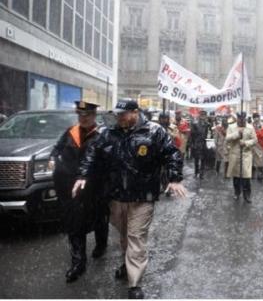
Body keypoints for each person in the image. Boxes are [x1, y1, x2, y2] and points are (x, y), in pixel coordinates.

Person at [72, 99, 187, 299]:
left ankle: (134, 284)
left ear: (135, 112)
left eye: (123, 114)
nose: (119, 118)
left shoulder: (154, 131)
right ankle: (127, 264)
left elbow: (171, 154)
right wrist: (83, 176)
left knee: (136, 236)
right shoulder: (108, 133)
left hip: (143, 197)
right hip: (116, 197)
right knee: (125, 235)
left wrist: (175, 177)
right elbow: (92, 154)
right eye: (117, 115)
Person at [50, 101, 109, 283]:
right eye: (80, 116)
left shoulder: (102, 134)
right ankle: (78, 263)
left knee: (99, 218)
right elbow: (57, 148)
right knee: (74, 224)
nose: (83, 119)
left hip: (94, 187)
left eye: (87, 116)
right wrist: (52, 158)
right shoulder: (70, 132)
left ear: (94, 116)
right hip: (71, 186)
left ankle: (101, 245)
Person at [226, 112, 258, 203]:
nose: (241, 120)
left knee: (246, 177)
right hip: (235, 155)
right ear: (237, 118)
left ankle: (247, 195)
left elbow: (255, 140)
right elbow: (227, 138)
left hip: (246, 155)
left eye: (243, 118)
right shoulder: (231, 127)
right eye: (240, 118)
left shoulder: (250, 127)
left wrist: (246, 143)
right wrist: (237, 134)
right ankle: (237, 192)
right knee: (236, 177)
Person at [190, 110, 210, 179]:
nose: (203, 116)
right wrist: (192, 144)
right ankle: (196, 172)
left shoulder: (207, 124)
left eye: (204, 115)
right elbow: (191, 135)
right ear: (199, 115)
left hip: (204, 144)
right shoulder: (195, 124)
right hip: (197, 144)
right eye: (202, 115)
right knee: (196, 160)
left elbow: (208, 134)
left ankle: (201, 174)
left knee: (203, 160)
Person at [252, 112, 263, 181]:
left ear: (259, 118)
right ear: (253, 118)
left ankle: (260, 174)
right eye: (255, 117)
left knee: (260, 161)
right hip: (252, 145)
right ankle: (252, 174)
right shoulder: (251, 125)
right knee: (252, 161)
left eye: (257, 117)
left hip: (260, 146)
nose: (256, 119)